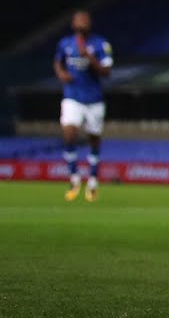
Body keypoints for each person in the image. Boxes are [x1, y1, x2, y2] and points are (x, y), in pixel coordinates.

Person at [54, 10, 112, 202]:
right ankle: (74, 177)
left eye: (84, 20)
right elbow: (57, 62)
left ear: (90, 23)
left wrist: (89, 57)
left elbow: (107, 71)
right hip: (72, 96)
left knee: (94, 138)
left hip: (94, 99)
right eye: (78, 20)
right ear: (73, 23)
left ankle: (93, 179)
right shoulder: (65, 43)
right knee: (69, 133)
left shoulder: (100, 44)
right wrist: (61, 74)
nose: (81, 23)